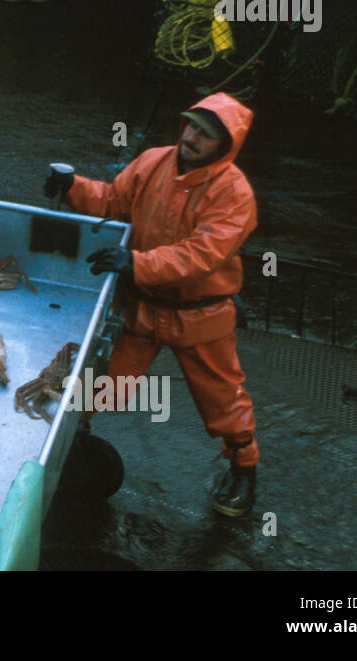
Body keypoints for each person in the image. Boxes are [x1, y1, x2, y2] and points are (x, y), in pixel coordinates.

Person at [46, 93, 259, 517]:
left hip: (200, 312)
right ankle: (67, 445)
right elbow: (113, 200)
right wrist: (73, 188)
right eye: (191, 125)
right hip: (141, 303)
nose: (193, 137)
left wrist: (136, 262)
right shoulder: (154, 161)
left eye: (207, 134)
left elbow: (202, 254)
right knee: (100, 386)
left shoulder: (235, 193)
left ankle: (244, 468)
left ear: (226, 144)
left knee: (222, 399)